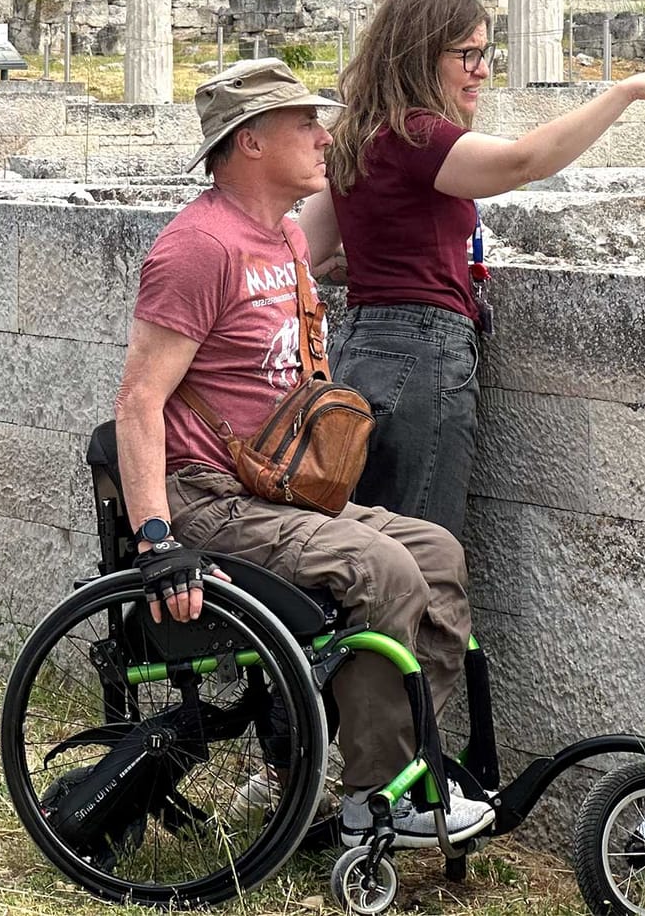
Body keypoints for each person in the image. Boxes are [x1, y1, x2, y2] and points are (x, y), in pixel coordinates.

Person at [113, 57, 494, 849]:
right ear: (250, 142)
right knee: (384, 571)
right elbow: (140, 400)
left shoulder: (285, 236)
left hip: (279, 489)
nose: (325, 136)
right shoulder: (196, 249)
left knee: (439, 554)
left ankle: (402, 771)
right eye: (304, 125)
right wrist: (157, 541)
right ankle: (371, 808)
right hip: (209, 496)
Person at [299, 0, 645, 541]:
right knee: (422, 549)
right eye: (467, 55)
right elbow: (523, 162)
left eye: (484, 54)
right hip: (423, 354)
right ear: (420, 54)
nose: (482, 71)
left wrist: (376, 257)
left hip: (362, 349)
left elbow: (310, 250)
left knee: (374, 547)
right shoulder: (417, 134)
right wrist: (624, 93)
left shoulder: (357, 134)